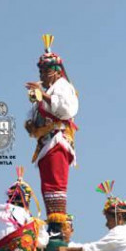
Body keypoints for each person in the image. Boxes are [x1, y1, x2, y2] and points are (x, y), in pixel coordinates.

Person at [24, 34, 79, 236]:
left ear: (56, 72)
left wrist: (43, 95)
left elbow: (67, 110)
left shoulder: (64, 87)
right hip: (44, 143)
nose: (43, 74)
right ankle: (52, 222)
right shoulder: (45, 93)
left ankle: (57, 225)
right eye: (41, 71)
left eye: (46, 70)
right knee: (47, 184)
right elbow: (31, 121)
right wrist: (30, 125)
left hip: (57, 140)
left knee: (56, 182)